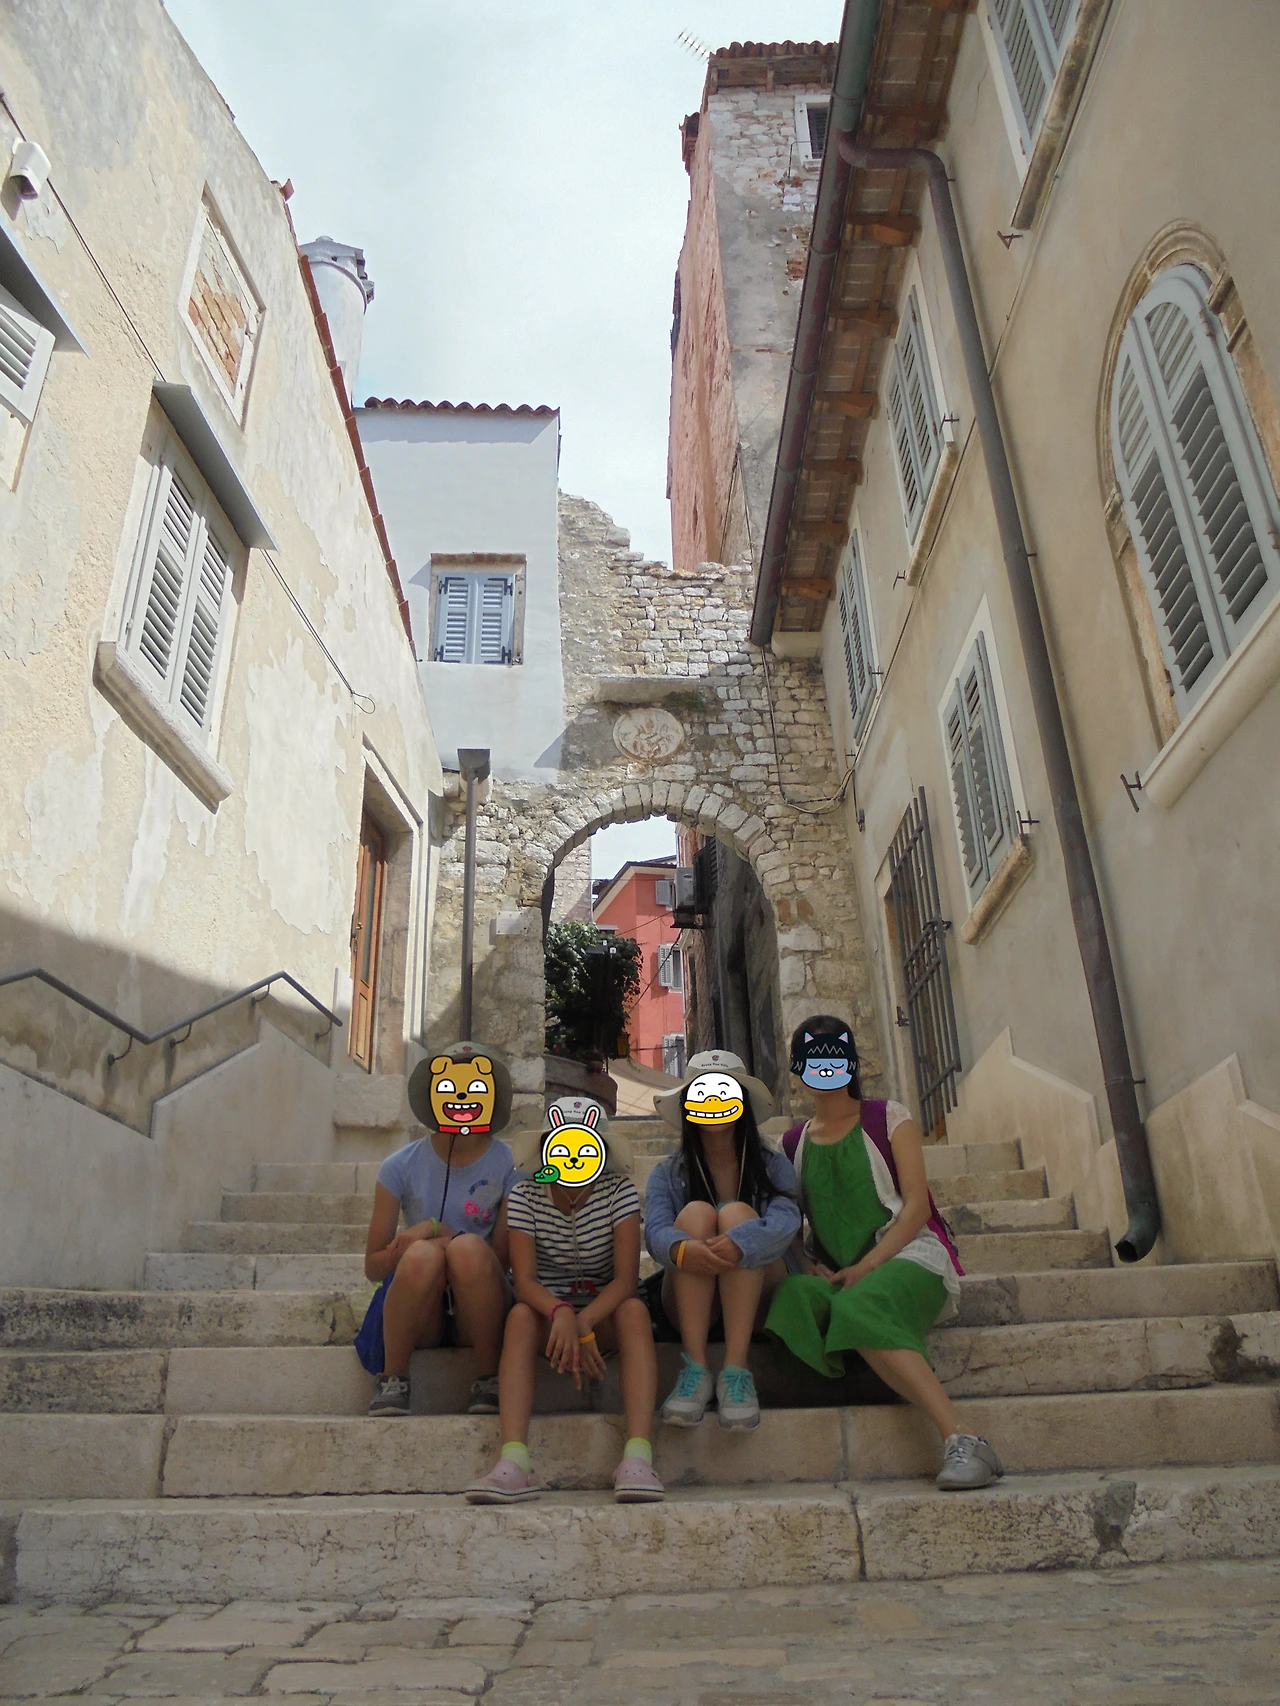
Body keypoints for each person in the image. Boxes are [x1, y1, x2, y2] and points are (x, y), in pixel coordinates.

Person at [765, 1015, 1004, 1490]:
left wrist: (867, 1267)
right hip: (843, 1272)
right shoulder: (791, 1143)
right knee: (792, 1297)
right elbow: (790, 1220)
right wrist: (811, 1264)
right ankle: (883, 1363)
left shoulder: (888, 1117)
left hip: (908, 1258)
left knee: (858, 1302)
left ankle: (963, 1437)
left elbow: (916, 1206)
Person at [465, 1096, 664, 1505]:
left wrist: (585, 1320)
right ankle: (515, 1460)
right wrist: (559, 1312)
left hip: (604, 1311)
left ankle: (638, 1457)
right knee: (520, 1317)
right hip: (547, 1314)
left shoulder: (619, 1192)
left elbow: (627, 1279)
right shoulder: (524, 1195)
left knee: (635, 1312)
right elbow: (524, 1281)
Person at [646, 1049, 801, 1431]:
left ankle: (736, 1370)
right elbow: (655, 1231)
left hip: (759, 1295)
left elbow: (787, 1220)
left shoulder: (772, 1165)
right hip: (689, 1298)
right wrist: (685, 1249)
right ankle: (695, 1368)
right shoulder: (667, 1173)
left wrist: (741, 1242)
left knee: (734, 1215)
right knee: (697, 1215)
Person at [361, 1043, 518, 1418]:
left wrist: (439, 1230)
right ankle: (393, 1376)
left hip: (479, 1304)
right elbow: (372, 1266)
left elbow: (501, 1258)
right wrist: (410, 1247)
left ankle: (490, 1376)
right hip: (423, 1309)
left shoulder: (511, 1164)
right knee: (422, 1255)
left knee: (465, 1251)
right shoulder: (399, 1166)